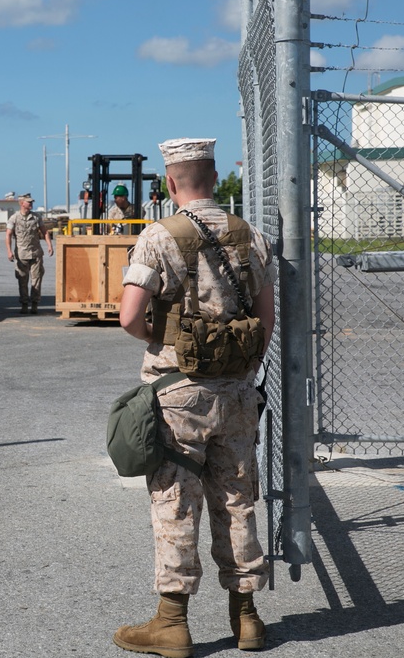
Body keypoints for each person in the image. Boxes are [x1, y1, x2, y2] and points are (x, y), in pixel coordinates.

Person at [113, 138, 276, 657]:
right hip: (237, 392)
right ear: (212, 177)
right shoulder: (252, 236)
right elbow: (265, 318)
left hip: (178, 393)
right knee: (236, 496)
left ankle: (172, 623)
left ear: (170, 181)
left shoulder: (159, 237)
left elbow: (129, 317)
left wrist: (165, 345)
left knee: (175, 501)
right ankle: (246, 617)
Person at [5, 193, 53, 314]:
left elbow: (44, 231)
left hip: (36, 253)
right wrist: (9, 251)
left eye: (31, 202)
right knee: (22, 280)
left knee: (36, 279)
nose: (31, 203)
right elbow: (8, 235)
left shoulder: (36, 217)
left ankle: (35, 304)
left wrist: (49, 245)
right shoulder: (14, 218)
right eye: (28, 202)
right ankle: (24, 304)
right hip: (21, 254)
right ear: (22, 203)